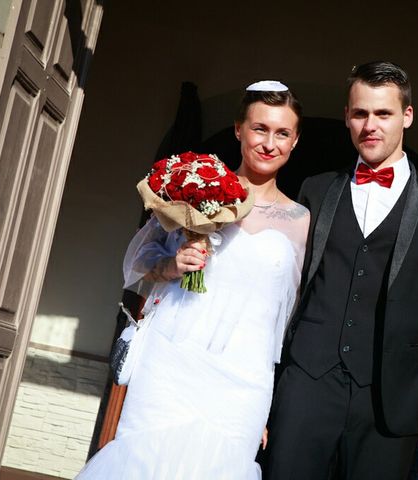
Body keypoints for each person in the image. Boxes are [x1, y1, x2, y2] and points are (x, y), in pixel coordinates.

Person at [76, 80, 309, 479]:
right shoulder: (195, 189)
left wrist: (269, 401)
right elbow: (138, 261)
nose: (270, 143)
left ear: (295, 141)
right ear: (239, 129)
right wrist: (174, 264)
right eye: (260, 128)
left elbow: (289, 315)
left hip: (245, 376)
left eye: (282, 133)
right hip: (173, 360)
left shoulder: (303, 221)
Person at [263, 61, 418, 480]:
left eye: (383, 113)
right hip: (305, 387)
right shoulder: (316, 189)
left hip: (390, 403)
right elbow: (282, 289)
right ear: (347, 116)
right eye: (360, 113)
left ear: (407, 116)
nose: (370, 125)